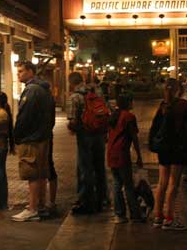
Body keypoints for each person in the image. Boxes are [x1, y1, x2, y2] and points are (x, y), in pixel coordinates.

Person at [151, 78, 187, 230]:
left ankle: (158, 216)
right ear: (179, 90)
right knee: (174, 184)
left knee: (162, 182)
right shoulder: (183, 105)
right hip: (178, 148)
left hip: (163, 149)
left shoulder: (162, 106)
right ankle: (169, 218)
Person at [11, 61, 52, 222]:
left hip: (31, 139)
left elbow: (24, 117)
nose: (18, 74)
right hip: (42, 137)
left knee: (32, 173)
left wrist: (17, 136)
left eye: (21, 71)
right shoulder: (44, 89)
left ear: (30, 72)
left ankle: (32, 208)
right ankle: (40, 206)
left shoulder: (31, 90)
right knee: (41, 173)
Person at [67, 71, 107, 215]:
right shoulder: (96, 91)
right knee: (99, 166)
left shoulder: (75, 97)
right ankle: (103, 198)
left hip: (85, 135)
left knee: (85, 168)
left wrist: (72, 128)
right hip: (100, 134)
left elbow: (72, 120)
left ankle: (86, 201)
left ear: (71, 83)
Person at [107, 93, 143, 224]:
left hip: (111, 153)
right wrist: (139, 156)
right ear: (128, 103)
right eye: (131, 102)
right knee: (128, 185)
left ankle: (120, 214)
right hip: (122, 153)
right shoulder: (128, 117)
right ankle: (135, 214)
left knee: (117, 184)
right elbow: (134, 137)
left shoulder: (114, 116)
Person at [39, 80, 58, 216]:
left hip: (42, 137)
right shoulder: (50, 99)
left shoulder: (43, 101)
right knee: (49, 167)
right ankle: (50, 200)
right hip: (48, 135)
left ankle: (44, 201)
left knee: (44, 168)